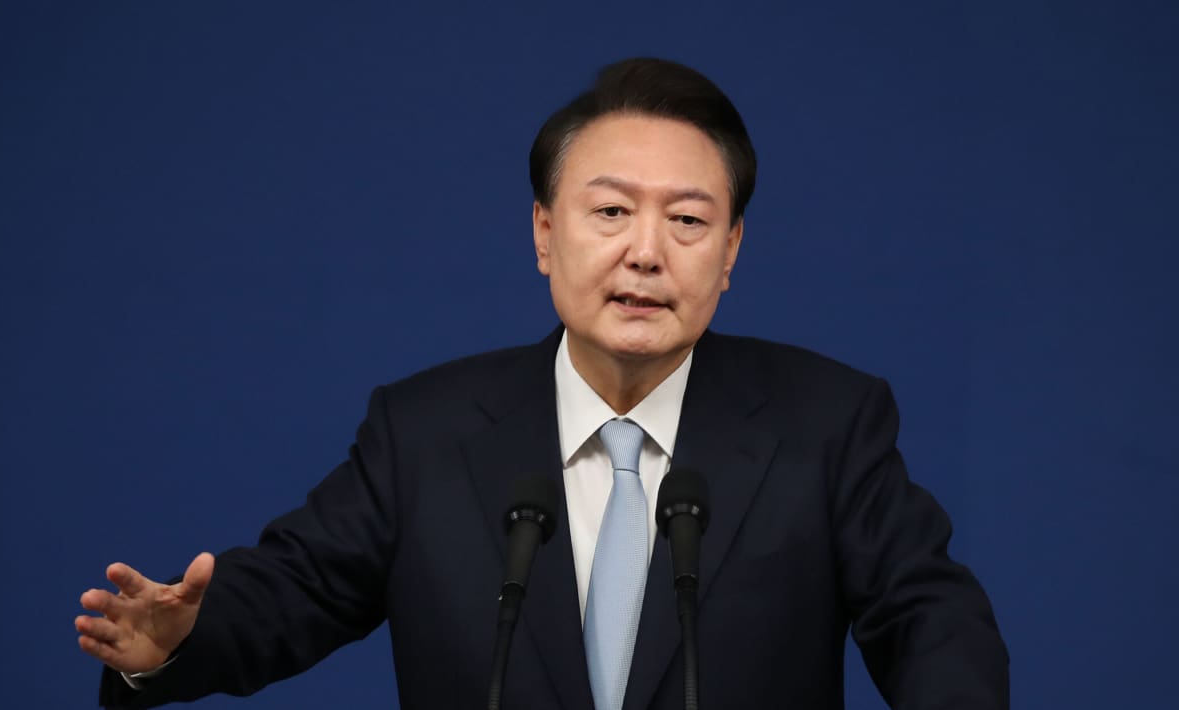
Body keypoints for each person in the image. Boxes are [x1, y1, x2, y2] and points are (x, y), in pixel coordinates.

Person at [75, 57, 1009, 710]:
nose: (646, 252)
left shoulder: (826, 422)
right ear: (544, 234)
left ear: (729, 255)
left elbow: (927, 612)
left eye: (687, 221)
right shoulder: (426, 432)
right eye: (610, 211)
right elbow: (293, 592)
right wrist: (176, 645)